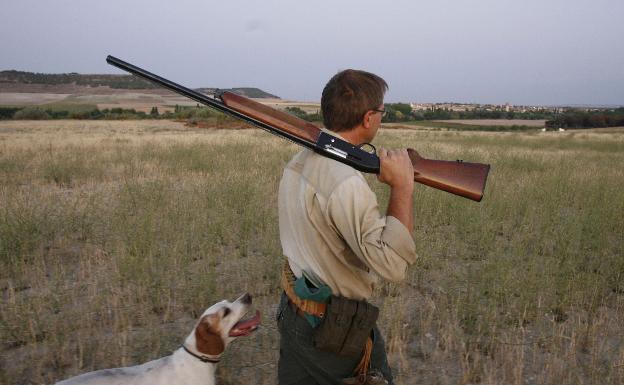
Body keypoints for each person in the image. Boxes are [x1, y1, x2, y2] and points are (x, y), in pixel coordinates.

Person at [276, 69, 417, 385]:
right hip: (334, 329)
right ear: (368, 118)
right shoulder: (346, 182)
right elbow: (392, 266)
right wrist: (403, 187)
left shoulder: (299, 160)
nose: (381, 118)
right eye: (382, 112)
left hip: (294, 309)